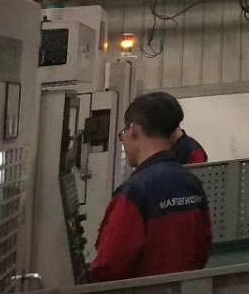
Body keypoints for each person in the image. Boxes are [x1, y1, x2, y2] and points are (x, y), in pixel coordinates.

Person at [90, 92, 213, 281]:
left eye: (123, 133)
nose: (123, 140)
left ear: (133, 130)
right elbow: (203, 247)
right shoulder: (192, 184)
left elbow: (108, 267)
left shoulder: (135, 193)